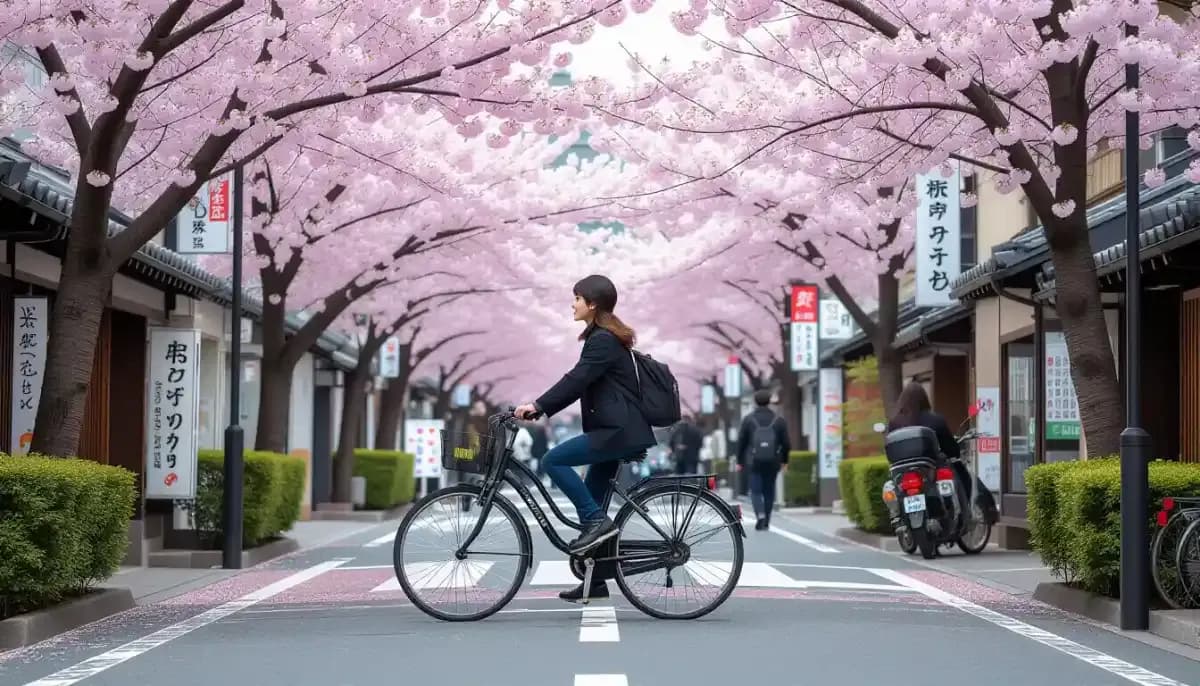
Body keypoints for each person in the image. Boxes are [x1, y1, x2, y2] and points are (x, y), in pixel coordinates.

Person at [515, 274, 656, 603]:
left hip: (617, 433)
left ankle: (597, 526)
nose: (572, 304)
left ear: (592, 304)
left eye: (577, 298)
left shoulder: (603, 340)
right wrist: (540, 408)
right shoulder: (603, 337)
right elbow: (579, 380)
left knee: (554, 460)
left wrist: (538, 405)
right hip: (615, 432)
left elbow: (576, 380)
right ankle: (596, 580)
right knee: (592, 506)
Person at [886, 382, 972, 511]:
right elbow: (951, 449)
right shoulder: (936, 420)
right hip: (931, 470)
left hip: (903, 473)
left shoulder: (895, 422)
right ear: (925, 399)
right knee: (962, 474)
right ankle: (964, 510)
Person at [736, 389, 791, 530]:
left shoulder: (748, 419)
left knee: (755, 490)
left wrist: (739, 461)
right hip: (773, 461)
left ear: (755, 402)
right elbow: (786, 443)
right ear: (769, 401)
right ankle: (767, 518)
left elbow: (741, 442)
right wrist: (784, 461)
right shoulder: (778, 419)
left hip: (754, 460)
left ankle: (759, 515)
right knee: (769, 490)